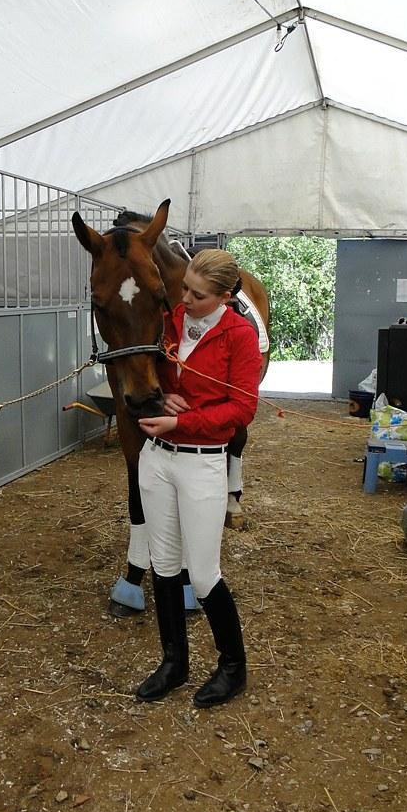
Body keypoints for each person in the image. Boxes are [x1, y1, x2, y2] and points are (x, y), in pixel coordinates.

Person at [135, 249, 262, 707]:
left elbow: (241, 409)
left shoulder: (239, 336)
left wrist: (182, 423)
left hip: (202, 462)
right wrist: (162, 395)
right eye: (184, 287)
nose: (185, 298)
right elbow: (149, 368)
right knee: (164, 565)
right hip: (157, 458)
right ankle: (174, 662)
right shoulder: (170, 320)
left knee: (204, 574)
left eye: (198, 294)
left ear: (225, 297)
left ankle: (233, 666)